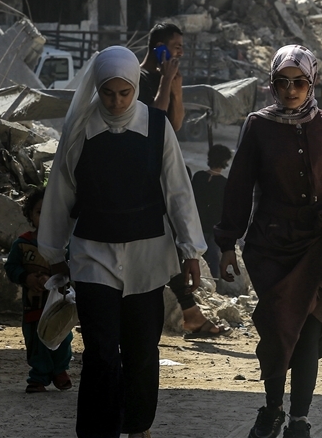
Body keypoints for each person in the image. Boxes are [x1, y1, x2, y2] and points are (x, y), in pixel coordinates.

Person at [38, 46, 207, 438]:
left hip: (148, 258)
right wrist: (52, 255)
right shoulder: (80, 127)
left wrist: (191, 251)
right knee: (99, 351)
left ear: (134, 88)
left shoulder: (157, 127)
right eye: (108, 93)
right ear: (98, 88)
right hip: (93, 254)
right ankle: (98, 430)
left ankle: (137, 425)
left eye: (124, 93)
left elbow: (178, 191)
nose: (116, 102)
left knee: (143, 352)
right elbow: (60, 192)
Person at [215, 45, 322, 438]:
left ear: (311, 81)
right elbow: (239, 187)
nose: (291, 89)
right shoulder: (258, 125)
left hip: (319, 243)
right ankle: (272, 408)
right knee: (280, 328)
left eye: (299, 81)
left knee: (310, 331)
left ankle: (298, 418)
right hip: (271, 247)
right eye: (282, 82)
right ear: (272, 84)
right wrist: (226, 243)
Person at [138, 23, 219, 338]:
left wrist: (175, 88)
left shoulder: (166, 79)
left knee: (170, 238)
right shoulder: (139, 78)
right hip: (143, 171)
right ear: (158, 48)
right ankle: (190, 312)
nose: (181, 52)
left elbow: (176, 123)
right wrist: (166, 81)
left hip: (165, 167)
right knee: (165, 239)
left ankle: (190, 312)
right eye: (175, 46)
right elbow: (152, 122)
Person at [5, 187, 74, 393]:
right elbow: (11, 267)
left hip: (59, 304)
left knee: (62, 336)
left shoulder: (66, 244)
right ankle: (39, 375)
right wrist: (26, 277)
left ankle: (60, 371)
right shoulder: (23, 244)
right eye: (39, 212)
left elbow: (74, 268)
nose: (45, 218)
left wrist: (54, 278)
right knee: (36, 339)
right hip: (33, 304)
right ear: (30, 215)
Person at [191, 143, 232, 285]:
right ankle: (213, 284)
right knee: (214, 258)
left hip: (197, 225)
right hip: (214, 227)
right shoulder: (224, 183)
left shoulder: (198, 176)